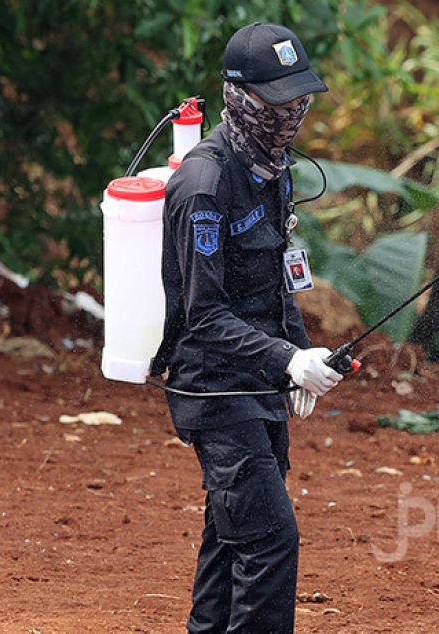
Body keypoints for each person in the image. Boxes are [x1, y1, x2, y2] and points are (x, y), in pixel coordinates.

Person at [151, 22, 342, 634]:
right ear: (239, 97)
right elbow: (202, 316)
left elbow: (280, 276)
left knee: (231, 533)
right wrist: (284, 361)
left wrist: (299, 357)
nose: (291, 115)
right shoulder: (204, 185)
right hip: (213, 391)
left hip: (256, 387)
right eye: (278, 103)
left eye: (300, 102)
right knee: (268, 540)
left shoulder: (274, 169)